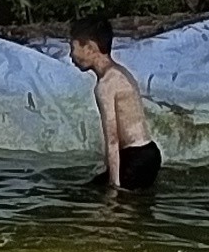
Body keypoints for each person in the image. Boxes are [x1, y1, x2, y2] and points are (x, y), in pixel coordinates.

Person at [67, 16, 158, 193]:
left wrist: (114, 187)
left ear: (90, 48)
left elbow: (113, 138)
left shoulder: (106, 84)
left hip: (135, 156)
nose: (70, 56)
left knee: (91, 195)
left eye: (73, 48)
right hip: (148, 153)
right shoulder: (120, 72)